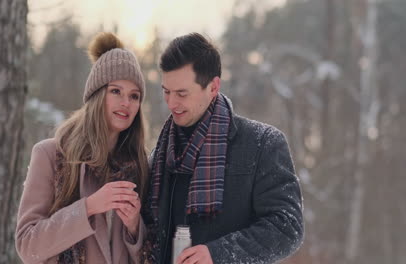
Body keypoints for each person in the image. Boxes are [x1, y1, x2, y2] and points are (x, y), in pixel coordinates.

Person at [142, 33, 304, 264]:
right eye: (166, 91)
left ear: (213, 86)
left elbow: (288, 226)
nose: (171, 103)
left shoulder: (262, 144)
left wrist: (218, 255)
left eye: (181, 93)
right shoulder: (160, 154)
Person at [15, 32, 148, 264]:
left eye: (134, 96)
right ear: (96, 95)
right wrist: (88, 207)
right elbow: (28, 246)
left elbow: (152, 253)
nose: (126, 103)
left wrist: (135, 227)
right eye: (115, 91)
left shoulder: (139, 166)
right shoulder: (50, 155)